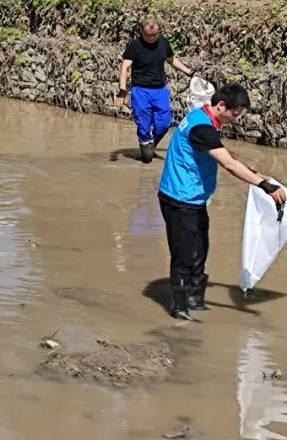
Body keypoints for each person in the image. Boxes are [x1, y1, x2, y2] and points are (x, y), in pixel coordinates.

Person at [157, 84, 286, 320]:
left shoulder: (204, 117)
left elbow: (228, 157)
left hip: (194, 199)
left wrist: (261, 177)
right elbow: (229, 164)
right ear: (221, 105)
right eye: (234, 114)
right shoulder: (201, 128)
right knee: (184, 255)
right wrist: (264, 185)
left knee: (200, 251)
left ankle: (195, 300)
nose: (235, 120)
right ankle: (179, 310)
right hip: (179, 199)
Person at [115, 19, 194, 163]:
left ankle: (151, 143)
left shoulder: (163, 42)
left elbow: (171, 59)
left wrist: (188, 71)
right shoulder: (135, 46)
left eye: (155, 35)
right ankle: (145, 144)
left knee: (164, 124)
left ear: (159, 32)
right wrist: (122, 89)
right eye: (148, 35)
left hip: (160, 90)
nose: (152, 38)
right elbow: (124, 66)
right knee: (144, 129)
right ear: (142, 32)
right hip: (141, 91)